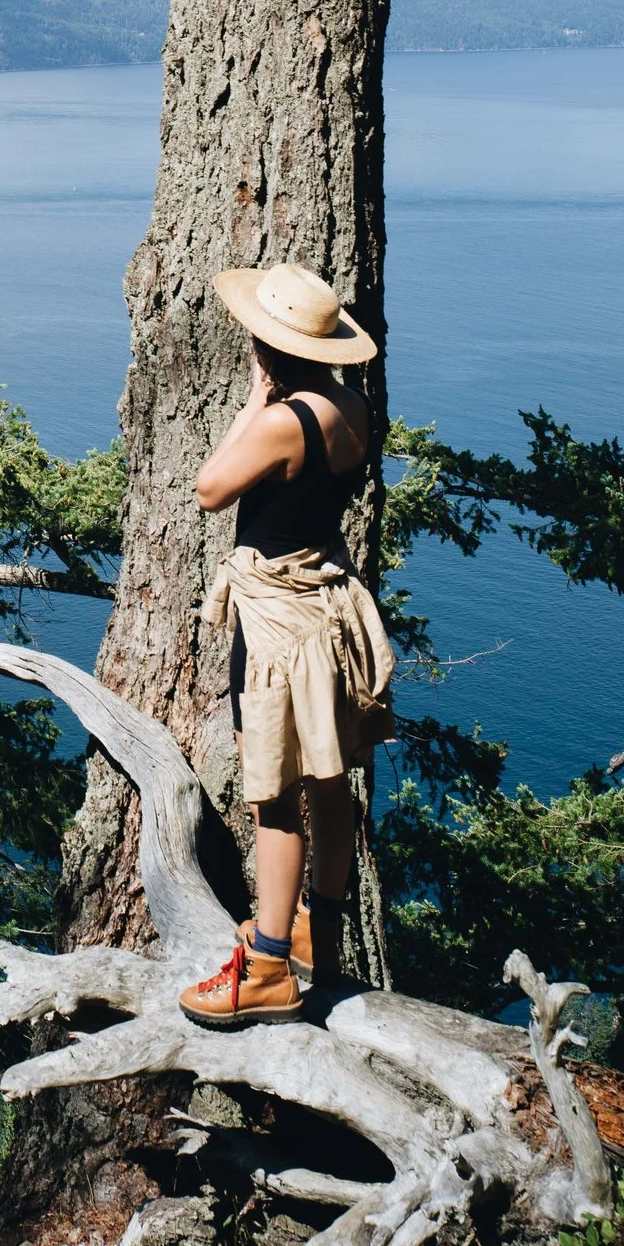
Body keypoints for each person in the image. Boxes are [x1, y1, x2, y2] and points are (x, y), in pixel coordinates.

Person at [177, 264, 395, 1029]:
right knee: (329, 782)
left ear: (270, 347)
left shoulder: (280, 422)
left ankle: (268, 965)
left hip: (274, 626)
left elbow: (209, 488)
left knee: (274, 795)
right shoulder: (356, 406)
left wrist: (252, 399)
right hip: (328, 612)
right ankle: (319, 931)